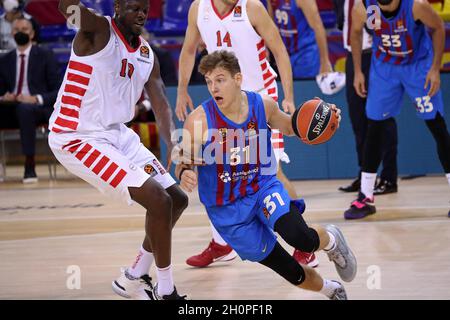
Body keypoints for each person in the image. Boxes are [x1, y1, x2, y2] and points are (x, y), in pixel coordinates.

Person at [176, 50, 356, 300]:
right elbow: (182, 159)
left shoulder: (262, 105)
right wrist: (184, 171)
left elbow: (293, 127)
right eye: (208, 81)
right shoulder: (200, 120)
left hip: (262, 188)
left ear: (237, 79)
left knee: (301, 238)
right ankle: (330, 288)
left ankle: (332, 241)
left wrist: (323, 115)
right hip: (227, 211)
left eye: (220, 79)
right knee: (290, 271)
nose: (213, 87)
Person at [49, 0, 188, 300]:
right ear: (117, 7)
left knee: (176, 199)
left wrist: (176, 146)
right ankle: (167, 291)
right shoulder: (97, 30)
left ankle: (133, 277)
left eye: (145, 10)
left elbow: (162, 104)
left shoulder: (147, 54)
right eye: (134, 8)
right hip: (77, 135)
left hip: (116, 133)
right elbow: (66, 7)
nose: (141, 14)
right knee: (159, 201)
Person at [176, 0, 318, 268]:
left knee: (271, 171)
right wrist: (182, 90)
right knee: (218, 171)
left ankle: (303, 242)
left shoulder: (252, 7)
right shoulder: (199, 9)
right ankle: (221, 244)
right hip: (226, 103)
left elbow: (279, 49)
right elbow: (187, 51)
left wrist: (289, 96)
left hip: (260, 99)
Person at [345, 0, 450, 219]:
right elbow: (355, 33)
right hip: (385, 68)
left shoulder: (416, 6)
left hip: (417, 66)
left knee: (437, 126)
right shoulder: (364, 7)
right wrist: (357, 71)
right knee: (374, 128)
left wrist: (435, 68)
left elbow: (438, 27)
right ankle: (365, 197)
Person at [333, 0, 398, 195]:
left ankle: (388, 177)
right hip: (353, 55)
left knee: (383, 118)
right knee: (358, 119)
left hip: (375, 55)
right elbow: (344, 22)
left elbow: (381, 25)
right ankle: (365, 176)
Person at [0, 17, 60, 183]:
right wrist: (4, 96)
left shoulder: (45, 55)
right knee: (19, 109)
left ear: (32, 34)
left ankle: (29, 165)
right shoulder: (5, 60)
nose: (20, 32)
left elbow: (58, 91)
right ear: (12, 33)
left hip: (38, 108)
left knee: (25, 110)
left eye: (24, 29)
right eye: (17, 29)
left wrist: (35, 98)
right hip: (11, 106)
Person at [267, 0, 333, 79]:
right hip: (284, 54)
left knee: (305, 89)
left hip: (306, 54)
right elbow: (270, 24)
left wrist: (325, 62)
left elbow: (318, 27)